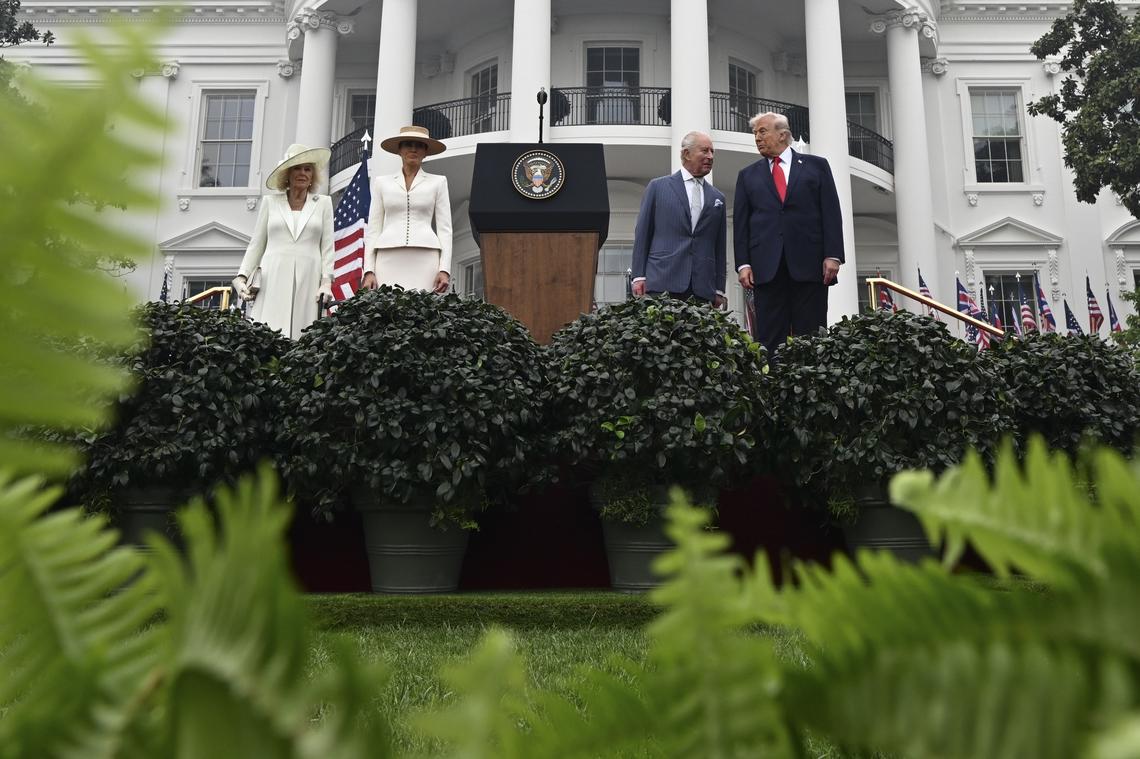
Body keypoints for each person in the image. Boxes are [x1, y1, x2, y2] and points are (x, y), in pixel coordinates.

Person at [733, 112, 844, 354]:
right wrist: (743, 264)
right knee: (770, 338)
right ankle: (772, 387)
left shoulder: (817, 166)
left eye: (763, 132)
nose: (757, 138)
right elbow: (741, 224)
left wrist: (833, 255)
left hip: (809, 265)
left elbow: (831, 212)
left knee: (812, 335)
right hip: (766, 268)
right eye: (755, 134)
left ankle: (811, 387)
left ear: (782, 134)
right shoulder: (747, 175)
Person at [232, 143, 334, 339]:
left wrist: (326, 282)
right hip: (273, 275)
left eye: (307, 169)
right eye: (297, 168)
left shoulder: (323, 203)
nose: (302, 173)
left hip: (309, 277)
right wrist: (242, 277)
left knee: (304, 336)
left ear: (313, 175)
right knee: (269, 333)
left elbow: (328, 247)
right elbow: (257, 244)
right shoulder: (270, 203)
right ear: (287, 173)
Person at [631, 131, 727, 306]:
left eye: (712, 152)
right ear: (686, 154)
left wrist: (719, 288)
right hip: (662, 282)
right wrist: (638, 275)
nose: (710, 156)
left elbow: (719, 246)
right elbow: (643, 233)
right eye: (704, 151)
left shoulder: (717, 197)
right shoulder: (657, 187)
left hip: (702, 288)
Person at [361, 125, 452, 293]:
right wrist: (368, 270)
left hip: (426, 256)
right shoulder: (382, 183)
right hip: (387, 257)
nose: (413, 149)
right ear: (399, 150)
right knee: (387, 311)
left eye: (419, 145)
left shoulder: (438, 182)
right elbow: (373, 229)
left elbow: (445, 229)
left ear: (425, 152)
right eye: (408, 144)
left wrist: (444, 269)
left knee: (424, 312)